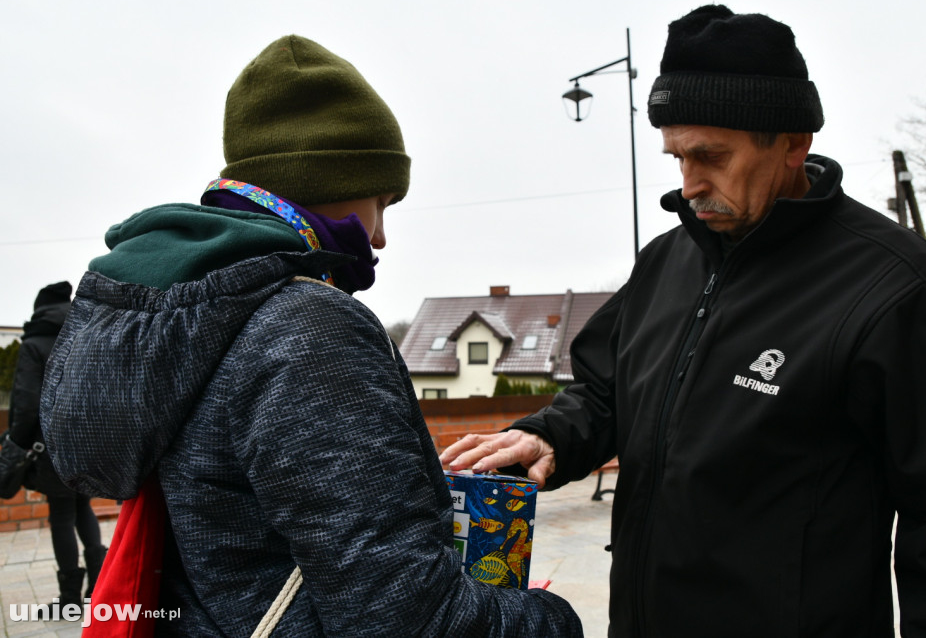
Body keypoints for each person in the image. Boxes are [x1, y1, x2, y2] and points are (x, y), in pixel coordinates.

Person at [442, 4, 926, 636]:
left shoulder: (890, 281)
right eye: (677, 159)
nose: (690, 184)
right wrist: (551, 435)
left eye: (711, 156)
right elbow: (607, 391)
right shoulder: (667, 260)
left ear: (794, 144)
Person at [40, 35, 581, 636]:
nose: (379, 238)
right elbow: (404, 617)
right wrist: (550, 620)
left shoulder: (179, 313)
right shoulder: (308, 328)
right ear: (334, 179)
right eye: (382, 201)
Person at [8, 281, 106, 612]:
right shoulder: (84, 335)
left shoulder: (34, 343)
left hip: (48, 444)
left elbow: (25, 402)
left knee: (61, 515)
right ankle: (98, 590)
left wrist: (17, 444)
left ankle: (68, 600)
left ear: (39, 309)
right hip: (85, 438)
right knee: (83, 507)